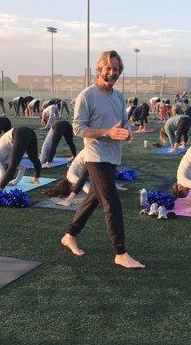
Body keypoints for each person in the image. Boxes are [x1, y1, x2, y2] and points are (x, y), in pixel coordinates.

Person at [61, 50, 144, 269]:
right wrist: (107, 132)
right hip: (95, 157)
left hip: (112, 157)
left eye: (116, 69)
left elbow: (125, 122)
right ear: (99, 70)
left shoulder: (117, 96)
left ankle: (70, 234)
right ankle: (120, 252)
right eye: (108, 68)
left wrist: (126, 132)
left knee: (94, 199)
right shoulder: (87, 95)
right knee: (112, 202)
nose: (112, 72)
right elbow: (78, 128)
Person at [0, 127, 41, 191]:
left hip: (18, 133)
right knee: (34, 158)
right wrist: (15, 182)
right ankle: (36, 178)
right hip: (29, 132)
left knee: (13, 165)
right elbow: (22, 168)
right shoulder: (6, 160)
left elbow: (2, 173)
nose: (5, 167)